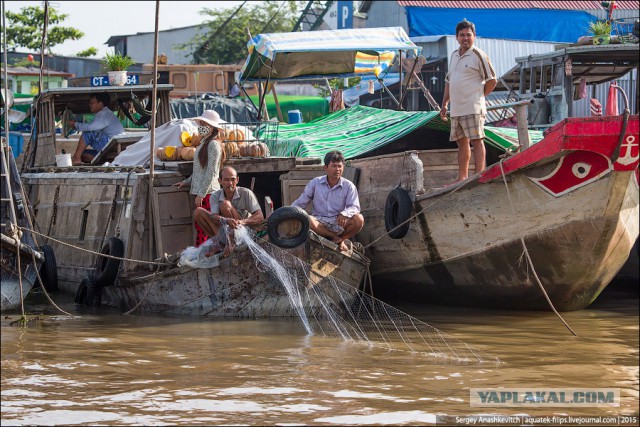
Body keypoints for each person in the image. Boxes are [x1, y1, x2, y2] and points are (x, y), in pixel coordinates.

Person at [440, 19, 497, 183]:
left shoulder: (478, 54)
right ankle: (462, 177)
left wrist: (479, 96)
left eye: (468, 35)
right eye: (462, 35)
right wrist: (444, 103)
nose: (465, 38)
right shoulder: (454, 55)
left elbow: (492, 80)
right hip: (457, 109)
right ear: (456, 37)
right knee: (461, 143)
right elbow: (449, 81)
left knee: (477, 141)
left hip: (473, 107)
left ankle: (480, 175)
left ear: (474, 36)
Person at [172, 110, 227, 247]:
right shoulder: (204, 142)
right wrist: (186, 182)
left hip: (209, 193)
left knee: (205, 227)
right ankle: (203, 252)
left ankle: (206, 253)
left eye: (203, 123)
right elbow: (199, 171)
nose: (200, 125)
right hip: (203, 192)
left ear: (211, 126)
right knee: (201, 227)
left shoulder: (213, 144)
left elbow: (211, 172)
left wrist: (201, 194)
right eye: (201, 123)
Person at [292, 150, 364, 252]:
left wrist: (345, 213)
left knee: (359, 219)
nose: (337, 169)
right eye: (334, 166)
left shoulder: (349, 186)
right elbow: (300, 203)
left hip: (339, 223)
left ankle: (341, 239)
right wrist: (287, 212)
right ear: (325, 168)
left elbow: (355, 207)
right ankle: (334, 237)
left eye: (340, 166)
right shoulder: (315, 183)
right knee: (307, 219)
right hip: (320, 223)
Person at [193, 166, 264, 256]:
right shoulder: (215, 196)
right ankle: (219, 243)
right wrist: (226, 220)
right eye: (226, 180)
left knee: (225, 204)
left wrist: (242, 222)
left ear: (237, 180)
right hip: (225, 232)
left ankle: (232, 242)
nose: (230, 183)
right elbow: (214, 217)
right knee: (198, 212)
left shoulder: (246, 193)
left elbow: (260, 216)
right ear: (220, 181)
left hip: (243, 233)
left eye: (233, 179)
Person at [68, 92, 125, 165]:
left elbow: (90, 127)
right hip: (110, 145)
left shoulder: (104, 113)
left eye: (92, 103)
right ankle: (102, 162)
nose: (90, 105)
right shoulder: (104, 113)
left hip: (112, 145)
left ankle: (76, 158)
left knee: (88, 133)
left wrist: (75, 125)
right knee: (83, 154)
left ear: (100, 103)